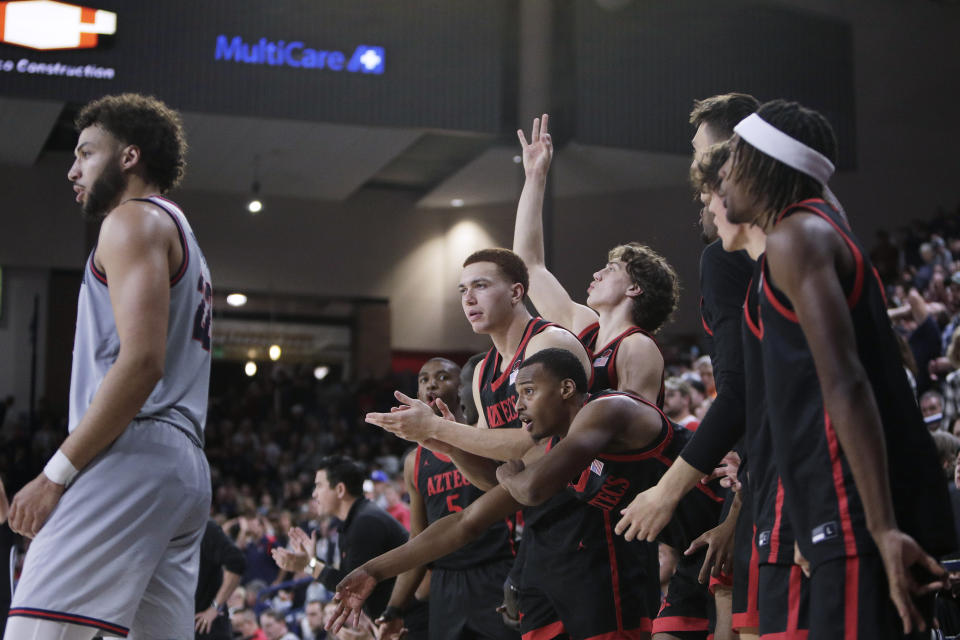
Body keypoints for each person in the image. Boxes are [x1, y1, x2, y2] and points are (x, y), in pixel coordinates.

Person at [722, 99, 954, 636]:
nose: (726, 171)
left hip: (853, 514)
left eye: (735, 155)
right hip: (839, 515)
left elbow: (847, 384)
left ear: (766, 162)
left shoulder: (797, 236)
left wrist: (881, 527)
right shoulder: (817, 229)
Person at [334, 349, 723, 640]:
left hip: (730, 527)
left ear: (567, 389)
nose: (518, 405)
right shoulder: (551, 448)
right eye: (517, 394)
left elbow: (531, 489)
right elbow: (466, 522)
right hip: (694, 555)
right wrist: (373, 569)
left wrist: (510, 472)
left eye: (529, 391)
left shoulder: (609, 409)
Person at [5, 93, 212, 639]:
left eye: (86, 153)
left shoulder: (131, 221)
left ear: (129, 157)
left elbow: (141, 363)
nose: (73, 169)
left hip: (133, 453)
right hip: (183, 465)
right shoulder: (180, 231)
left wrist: (54, 475)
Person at [615, 93, 759, 640]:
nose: (693, 174)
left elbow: (743, 392)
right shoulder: (811, 237)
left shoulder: (728, 257)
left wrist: (667, 492)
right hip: (764, 481)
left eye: (699, 153)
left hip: (790, 484)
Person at [695, 142, 810, 639]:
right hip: (773, 478)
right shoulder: (768, 274)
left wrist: (813, 508)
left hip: (807, 493)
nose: (706, 202)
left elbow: (840, 392)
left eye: (712, 190)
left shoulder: (801, 254)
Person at [511, 114, 679, 404]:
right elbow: (528, 267)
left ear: (634, 288)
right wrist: (535, 177)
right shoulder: (585, 326)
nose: (597, 274)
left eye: (611, 269)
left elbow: (630, 431)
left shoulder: (637, 346)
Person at [379, 357, 518, 640]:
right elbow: (418, 538)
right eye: (424, 378)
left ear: (462, 388)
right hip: (446, 582)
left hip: (497, 570)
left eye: (443, 377)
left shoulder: (486, 436)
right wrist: (394, 608)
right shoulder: (414, 462)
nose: (432, 382)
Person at [271, 456, 424, 631]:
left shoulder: (365, 522)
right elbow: (349, 581)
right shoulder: (357, 519)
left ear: (340, 489)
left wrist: (309, 565)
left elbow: (352, 587)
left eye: (319, 485)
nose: (314, 494)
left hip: (414, 625)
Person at [196, 519, 247, 640]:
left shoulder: (205, 528)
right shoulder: (160, 530)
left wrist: (215, 607)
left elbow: (237, 561)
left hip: (205, 627)